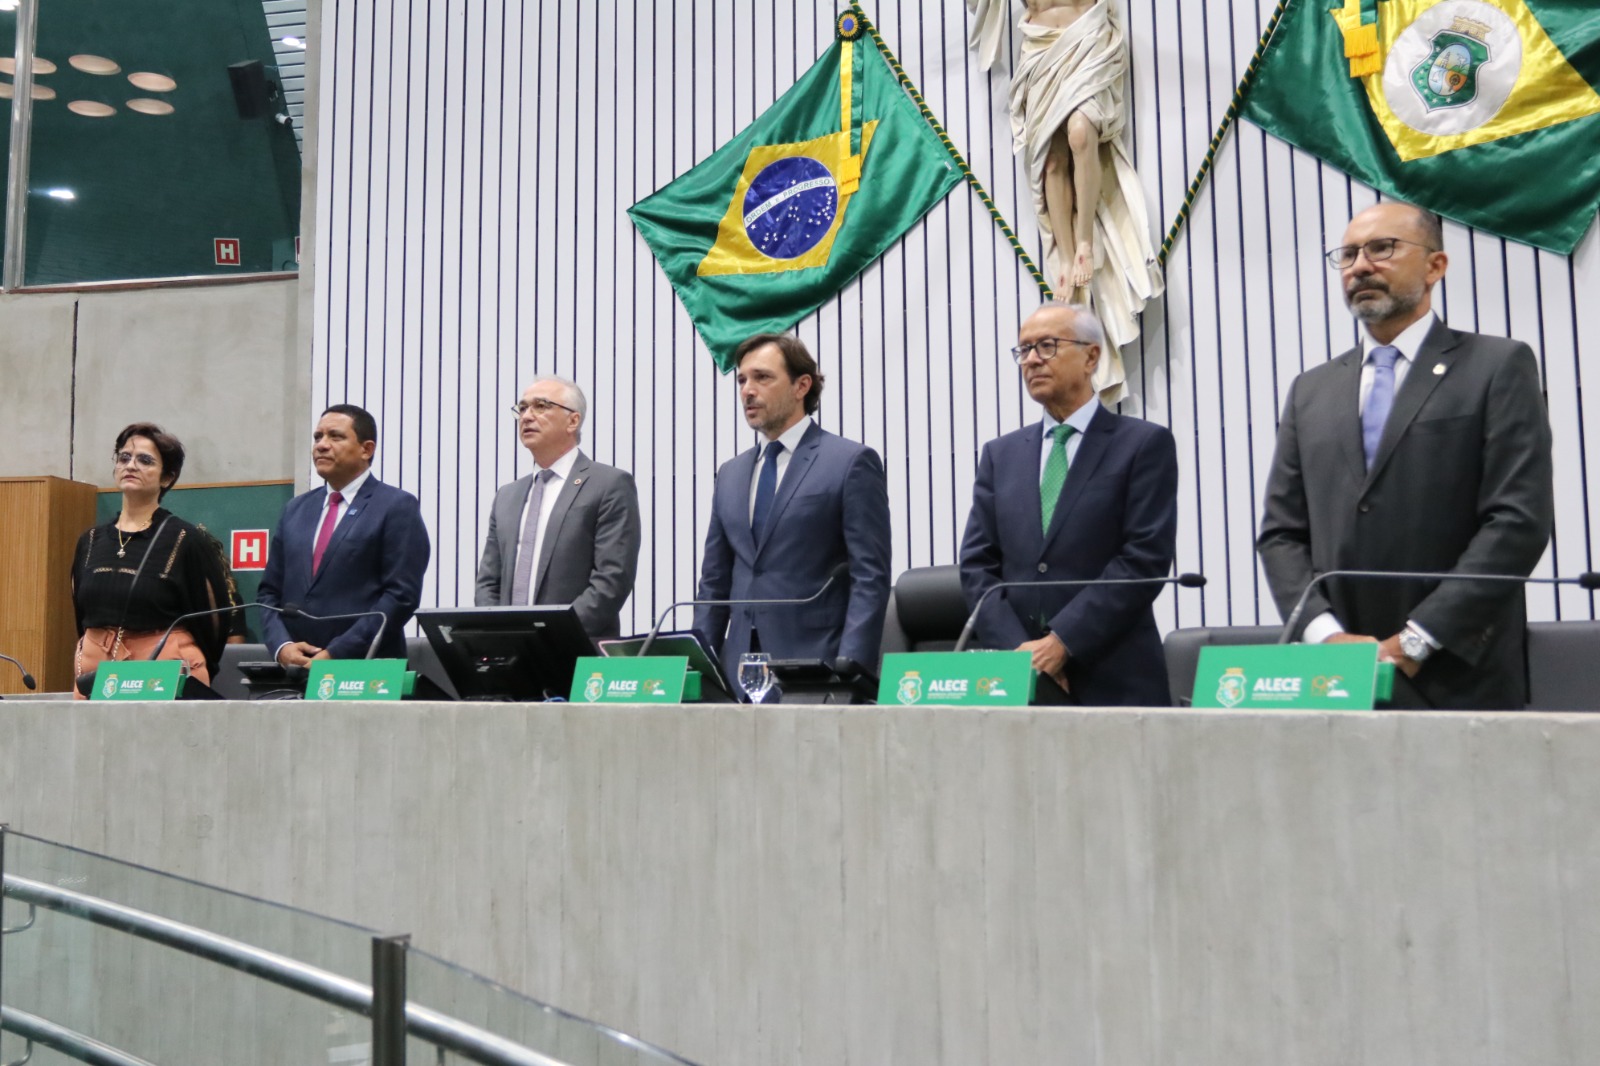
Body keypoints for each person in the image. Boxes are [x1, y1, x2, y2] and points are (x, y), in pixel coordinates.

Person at [1257, 202, 1555, 710]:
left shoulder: (1496, 365)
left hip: (1457, 675)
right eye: (1348, 254)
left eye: (1382, 248)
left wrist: (1418, 639)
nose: (1359, 266)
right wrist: (1326, 637)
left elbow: (1517, 521)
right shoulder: (1312, 389)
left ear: (1436, 265)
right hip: (1333, 679)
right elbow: (1281, 533)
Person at [958, 302, 1177, 705]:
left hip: (1116, 678)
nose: (1031, 360)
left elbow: (1143, 559)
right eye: (1023, 350)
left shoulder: (1142, 445)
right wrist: (1021, 653)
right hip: (1017, 679)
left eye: (1046, 345)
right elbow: (977, 565)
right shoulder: (999, 455)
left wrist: (1062, 642)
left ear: (1091, 356)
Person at [966, 0, 1162, 387]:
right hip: (1039, 47)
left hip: (1085, 38)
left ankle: (1086, 240)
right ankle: (1069, 255)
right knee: (1051, 164)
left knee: (1080, 133)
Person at [694, 333, 892, 691]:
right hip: (736, 672)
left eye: (762, 377)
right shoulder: (730, 474)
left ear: (802, 385)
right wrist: (699, 668)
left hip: (818, 666)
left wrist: (852, 668)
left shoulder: (849, 463)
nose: (747, 391)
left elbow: (870, 577)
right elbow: (714, 582)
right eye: (741, 380)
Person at [70, 423, 240, 695]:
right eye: (124, 458)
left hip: (162, 668)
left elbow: (213, 624)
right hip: (95, 669)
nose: (131, 465)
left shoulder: (187, 539)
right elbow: (81, 614)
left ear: (167, 477)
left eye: (144, 460)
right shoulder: (90, 541)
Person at [257, 404, 431, 664]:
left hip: (364, 669)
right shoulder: (296, 509)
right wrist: (282, 647)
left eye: (335, 436)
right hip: (296, 669)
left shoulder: (396, 506)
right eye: (318, 437)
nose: (321, 445)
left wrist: (335, 653)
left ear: (366, 449)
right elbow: (268, 594)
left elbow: (400, 596)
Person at [475, 376, 642, 639]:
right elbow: (488, 583)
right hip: (510, 657)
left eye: (541, 406)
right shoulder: (507, 496)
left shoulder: (609, 484)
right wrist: (500, 638)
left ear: (573, 421)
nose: (527, 416)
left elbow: (611, 581)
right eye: (522, 408)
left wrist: (553, 639)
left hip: (577, 654)